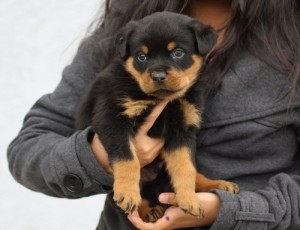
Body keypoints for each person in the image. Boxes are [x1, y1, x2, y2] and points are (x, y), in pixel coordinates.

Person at [7, 0, 300, 229]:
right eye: (144, 58)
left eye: (177, 55)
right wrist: (97, 157)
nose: (158, 73)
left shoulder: (291, 35)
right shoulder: (130, 19)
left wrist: (229, 211)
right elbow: (30, 146)